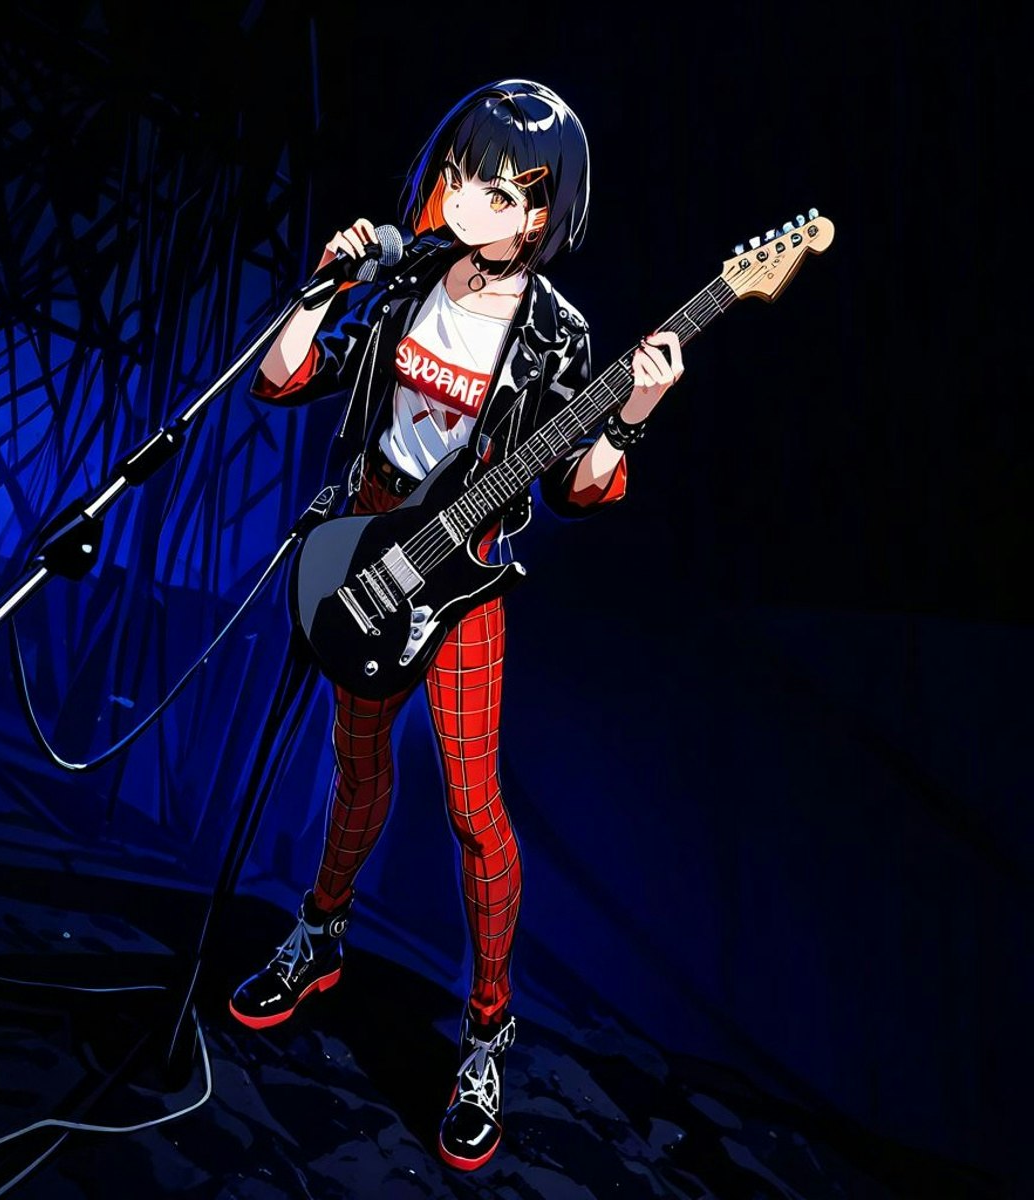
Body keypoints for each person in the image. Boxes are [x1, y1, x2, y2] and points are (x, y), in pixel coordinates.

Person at [228, 78, 683, 1171]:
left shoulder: (558, 335)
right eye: (463, 173)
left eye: (501, 189)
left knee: (475, 809)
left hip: (464, 578)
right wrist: (324, 289)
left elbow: (573, 488)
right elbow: (284, 379)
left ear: (543, 214)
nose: (468, 197)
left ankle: (486, 1029)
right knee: (358, 768)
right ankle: (321, 932)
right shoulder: (406, 279)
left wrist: (627, 420)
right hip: (366, 548)